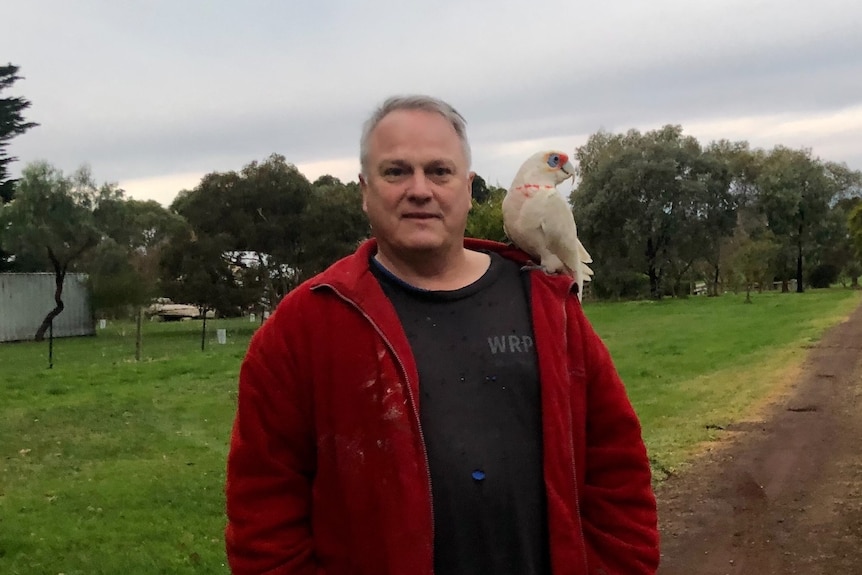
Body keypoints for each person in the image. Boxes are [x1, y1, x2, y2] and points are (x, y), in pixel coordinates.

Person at [224, 94, 660, 575]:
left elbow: (617, 468)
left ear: (469, 188)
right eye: (395, 172)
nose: (419, 190)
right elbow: (263, 512)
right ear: (364, 190)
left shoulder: (549, 306)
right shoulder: (304, 325)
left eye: (439, 171)